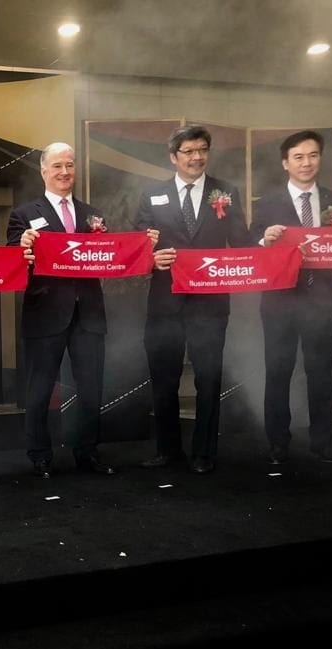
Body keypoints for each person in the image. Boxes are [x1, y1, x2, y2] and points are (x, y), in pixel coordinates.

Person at [9, 142, 130, 478]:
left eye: (70, 165)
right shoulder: (23, 215)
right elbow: (12, 261)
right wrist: (21, 247)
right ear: (43, 171)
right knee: (39, 389)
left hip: (88, 314)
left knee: (91, 388)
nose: (65, 172)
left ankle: (87, 453)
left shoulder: (94, 215)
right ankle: (39, 456)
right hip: (45, 314)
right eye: (57, 166)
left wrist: (141, 248)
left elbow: (109, 256)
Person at [135, 124, 250, 474]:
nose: (197, 157)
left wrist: (268, 247)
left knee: (208, 379)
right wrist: (150, 256)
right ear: (174, 157)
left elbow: (242, 243)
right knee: (164, 379)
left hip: (210, 302)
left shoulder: (225, 192)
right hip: (165, 300)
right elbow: (138, 244)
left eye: (202, 150)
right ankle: (168, 450)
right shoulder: (152, 194)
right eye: (189, 151)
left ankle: (204, 452)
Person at [251, 130, 332, 465]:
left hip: (322, 299)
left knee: (321, 373)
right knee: (278, 372)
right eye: (299, 157)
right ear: (285, 163)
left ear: (321, 158)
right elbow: (251, 243)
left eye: (313, 155)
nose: (307, 163)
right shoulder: (267, 203)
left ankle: (323, 442)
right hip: (280, 300)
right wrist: (265, 239)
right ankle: (278, 443)